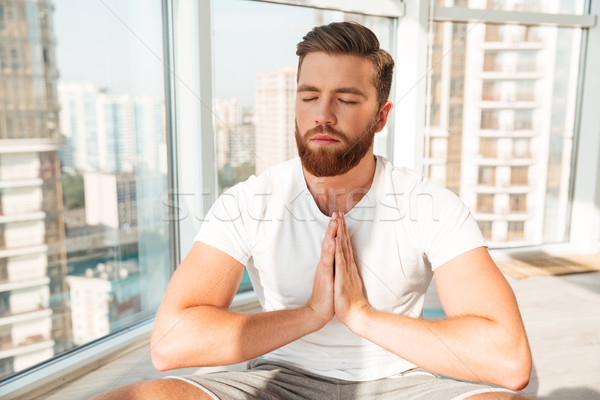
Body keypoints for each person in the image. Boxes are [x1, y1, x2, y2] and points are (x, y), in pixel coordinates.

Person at [95, 22, 533, 399]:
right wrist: (310, 315)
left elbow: (508, 361)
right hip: (280, 381)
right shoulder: (250, 202)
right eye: (309, 96)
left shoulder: (430, 205)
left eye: (346, 99)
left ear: (381, 117)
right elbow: (170, 344)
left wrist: (361, 315)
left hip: (399, 381)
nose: (323, 115)